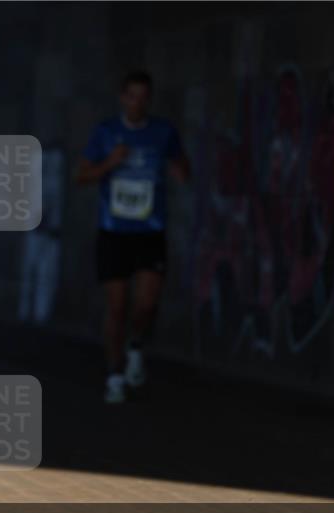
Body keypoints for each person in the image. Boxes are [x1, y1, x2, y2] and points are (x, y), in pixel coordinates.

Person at [77, 70, 190, 403]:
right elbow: (81, 175)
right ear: (122, 97)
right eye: (132, 96)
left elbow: (184, 169)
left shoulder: (163, 132)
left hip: (150, 231)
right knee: (117, 306)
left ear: (149, 100)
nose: (137, 103)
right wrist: (109, 163)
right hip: (114, 233)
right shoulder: (106, 132)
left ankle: (136, 345)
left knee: (146, 304)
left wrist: (180, 170)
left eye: (144, 97)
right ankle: (114, 375)